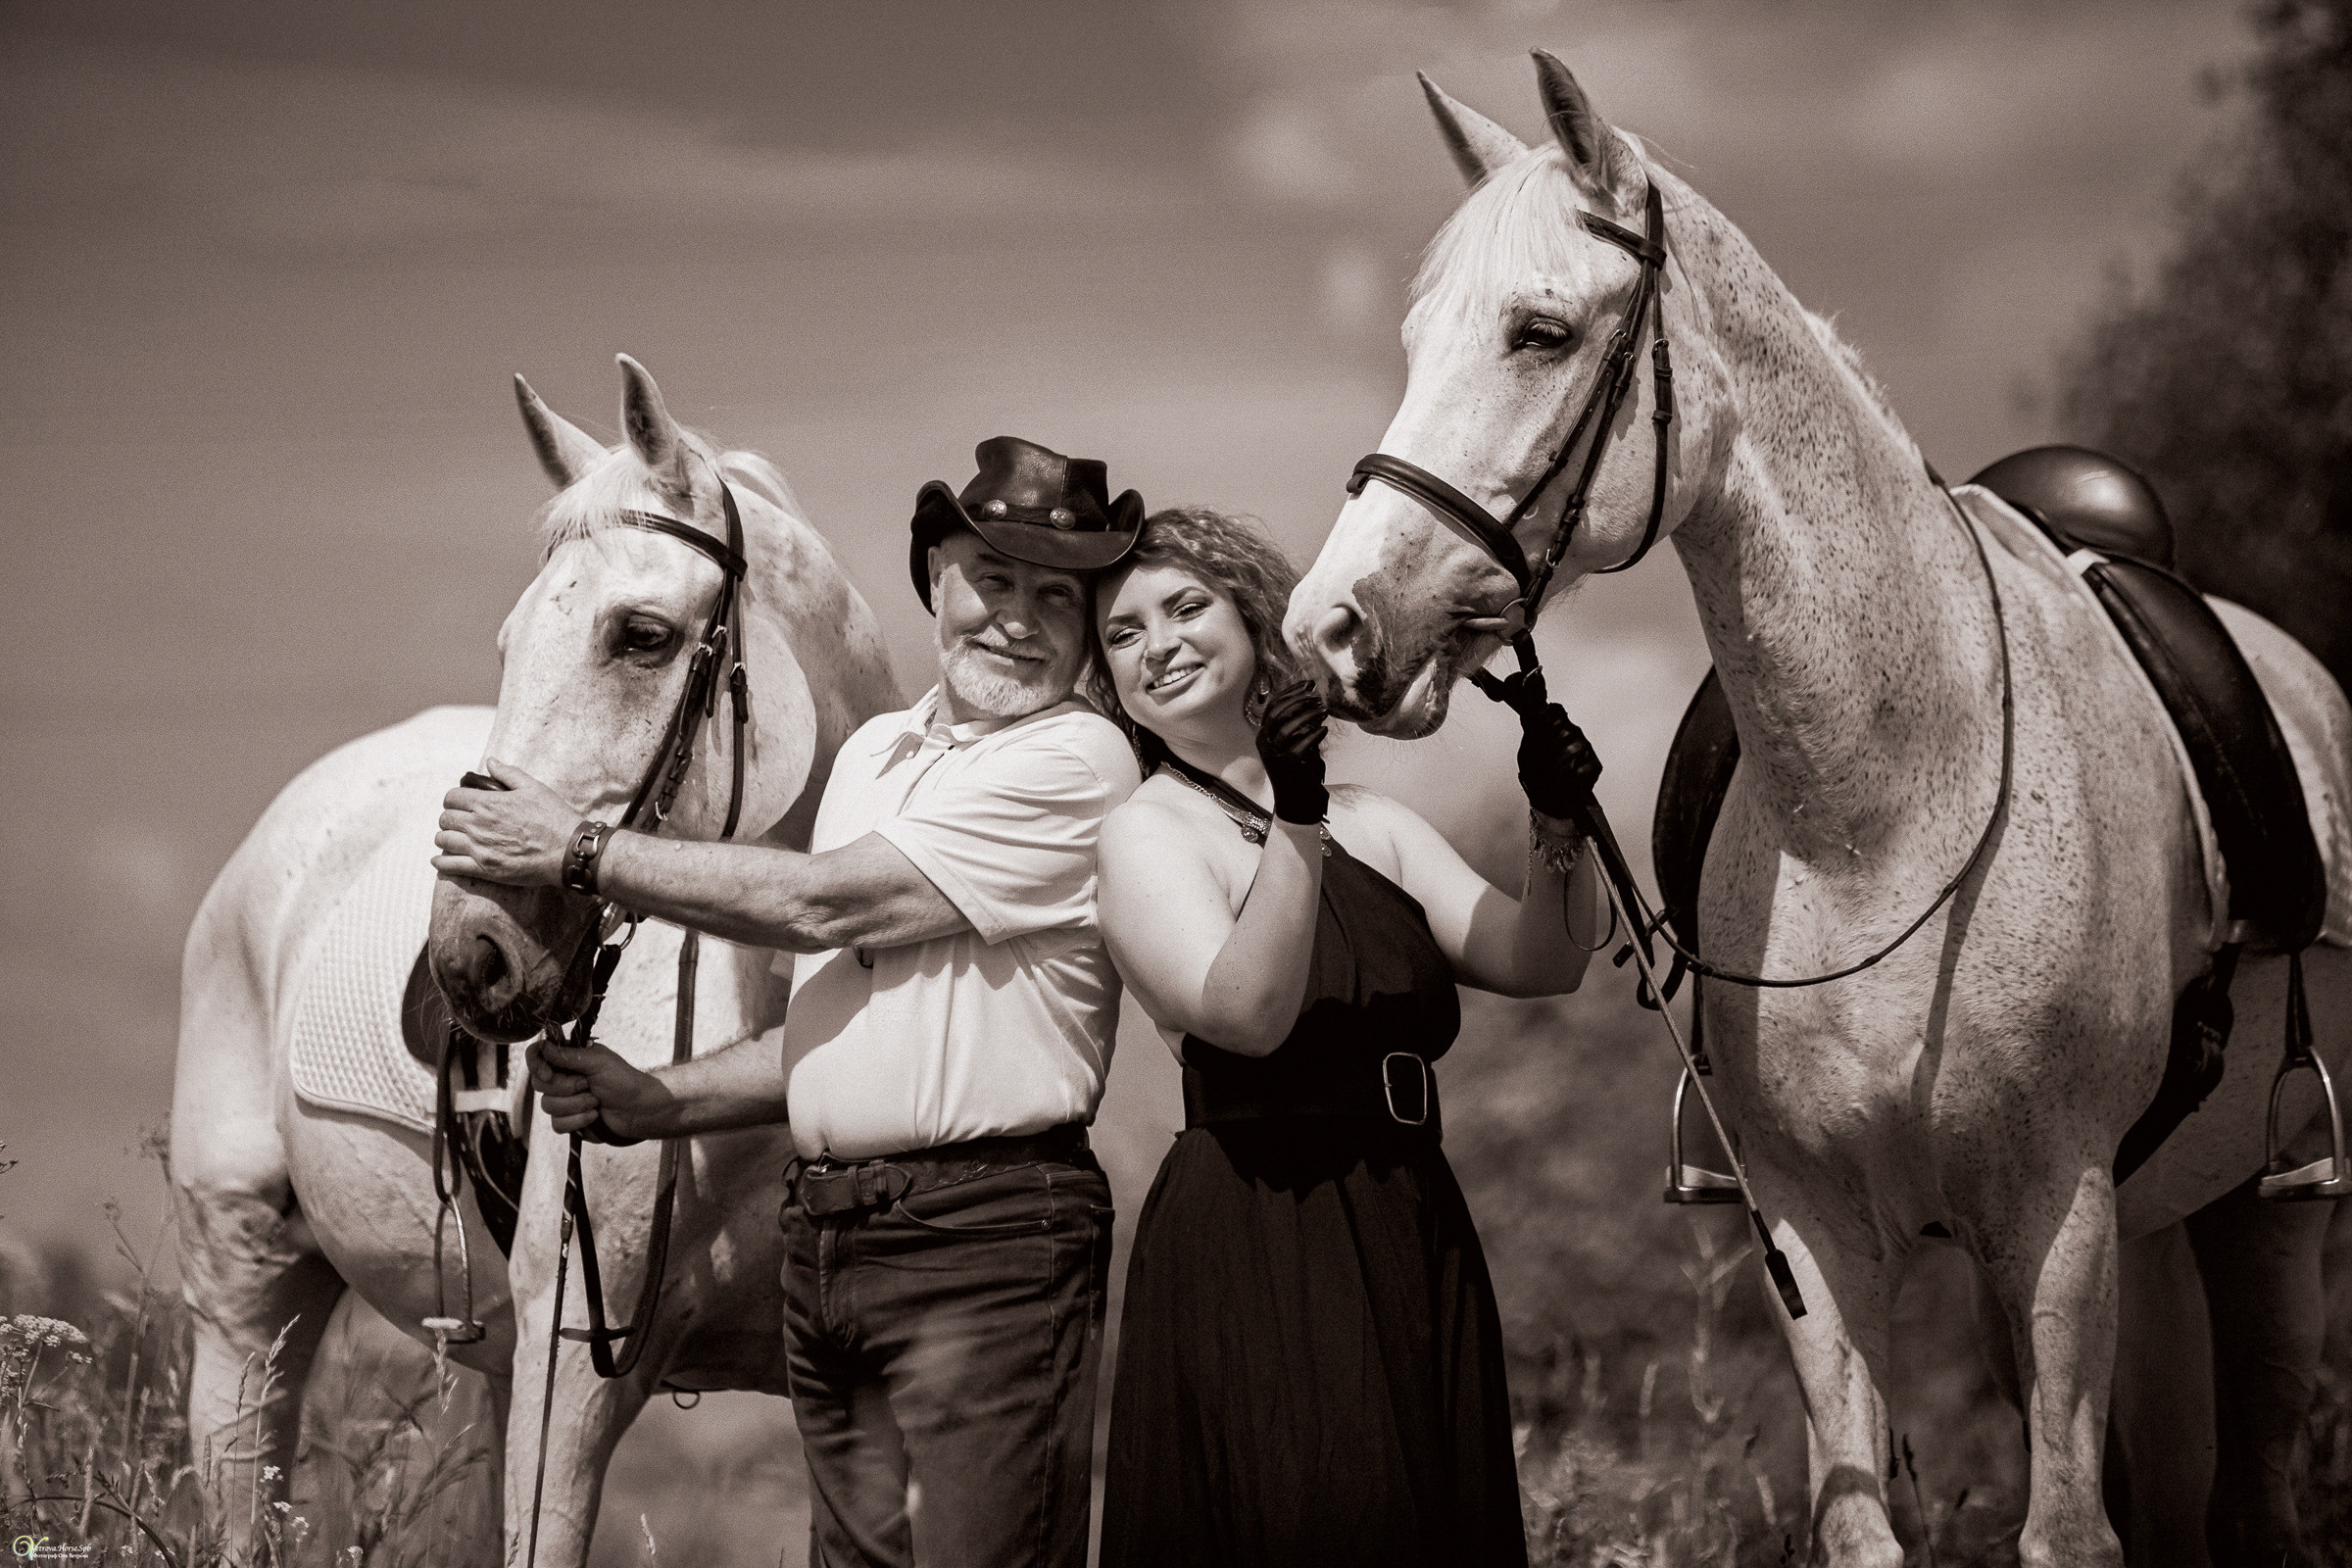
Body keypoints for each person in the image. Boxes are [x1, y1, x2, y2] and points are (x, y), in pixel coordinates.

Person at [432, 436, 1147, 1568]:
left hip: (985, 1237)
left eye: (1055, 595)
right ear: (937, 581)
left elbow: (828, 904)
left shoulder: (1077, 758)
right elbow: (841, 1019)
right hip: (835, 1241)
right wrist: (660, 1100)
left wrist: (574, 850)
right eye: (992, 579)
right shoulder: (876, 758)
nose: (1016, 617)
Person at [1086, 507, 1604, 1568]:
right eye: (1124, 634)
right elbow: (1245, 1013)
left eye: (1185, 608)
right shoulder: (1145, 834)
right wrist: (1294, 819)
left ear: (1253, 618)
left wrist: (1559, 822)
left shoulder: (1373, 820)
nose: (1158, 646)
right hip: (1263, 1219)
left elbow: (1542, 959)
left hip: (1408, 1209)